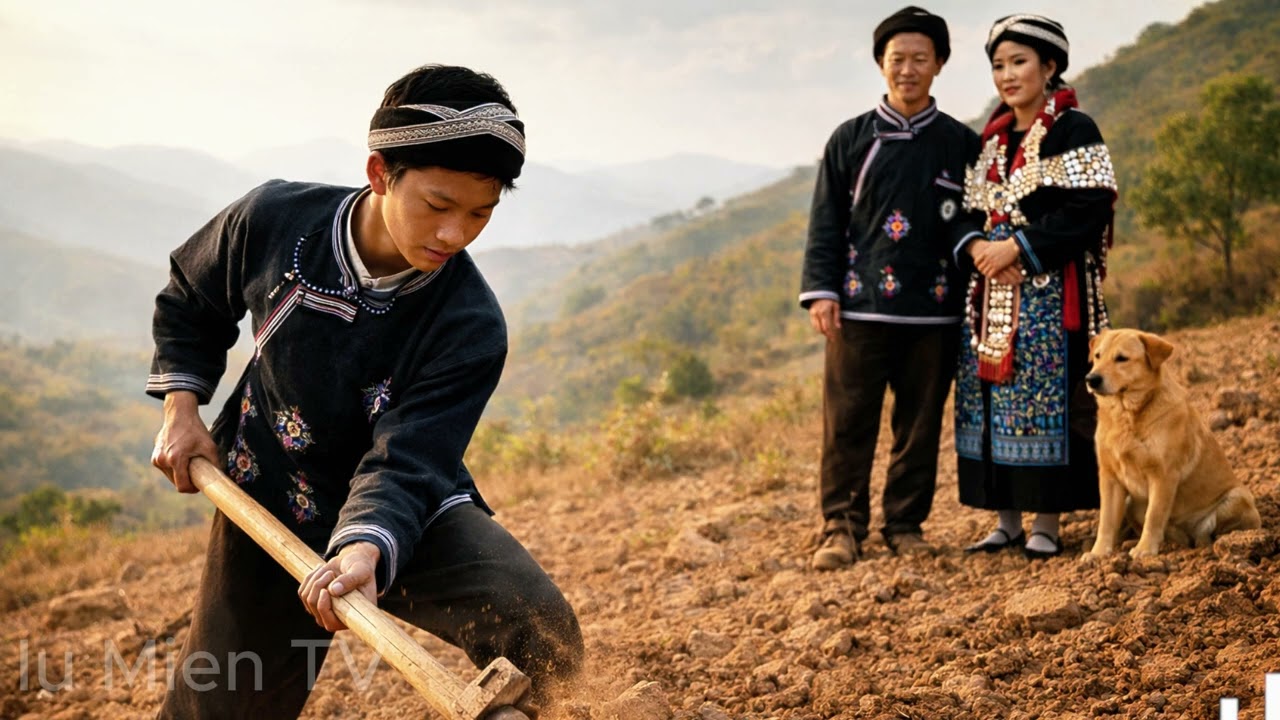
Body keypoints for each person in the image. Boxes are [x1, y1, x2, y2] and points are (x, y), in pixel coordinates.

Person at [148, 64, 583, 718]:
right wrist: (182, 410)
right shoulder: (274, 221)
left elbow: (409, 457)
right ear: (381, 173)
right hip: (271, 494)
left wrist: (365, 546)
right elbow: (191, 299)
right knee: (222, 706)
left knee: (541, 631)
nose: (455, 234)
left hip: (401, 506)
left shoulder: (469, 324)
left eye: (480, 213)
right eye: (438, 205)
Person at [800, 6, 985, 570]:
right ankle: (841, 527)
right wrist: (823, 290)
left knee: (919, 425)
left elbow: (978, 220)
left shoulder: (962, 144)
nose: (908, 69)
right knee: (847, 423)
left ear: (940, 64)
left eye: (920, 59)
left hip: (935, 312)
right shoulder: (851, 138)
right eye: (897, 58)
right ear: (881, 63)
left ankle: (905, 524)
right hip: (859, 309)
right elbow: (826, 221)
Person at [955, 16, 1118, 559]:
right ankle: (1005, 521)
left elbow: (1090, 207)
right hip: (988, 297)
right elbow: (967, 210)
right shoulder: (991, 139)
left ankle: (1046, 522)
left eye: (1018, 62)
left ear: (1049, 66)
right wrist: (980, 250)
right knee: (990, 404)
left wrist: (1018, 248)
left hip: (1050, 295)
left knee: (1047, 403)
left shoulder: (1075, 128)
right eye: (998, 65)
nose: (1007, 75)